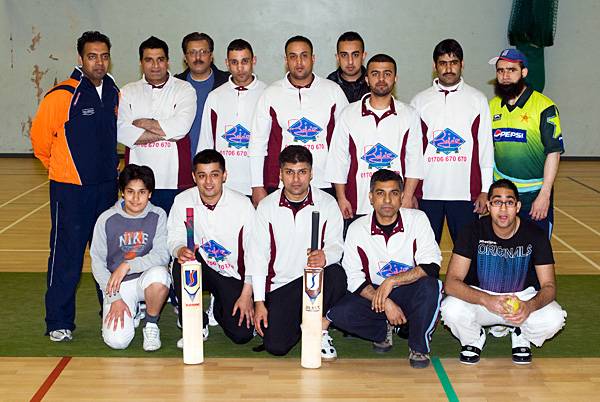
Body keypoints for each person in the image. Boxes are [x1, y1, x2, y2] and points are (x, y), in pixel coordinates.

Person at [30, 31, 120, 342]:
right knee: (66, 255)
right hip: (70, 191)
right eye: (93, 56)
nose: (99, 62)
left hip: (107, 189)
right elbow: (40, 144)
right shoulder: (60, 96)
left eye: (104, 56)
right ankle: (58, 321)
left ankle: (109, 314)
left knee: (107, 255)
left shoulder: (112, 91)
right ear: (80, 59)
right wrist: (62, 172)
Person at [441, 179, 566, 365]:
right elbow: (451, 283)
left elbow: (549, 286)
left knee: (555, 318)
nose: (503, 208)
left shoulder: (535, 235)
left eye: (509, 202)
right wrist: (486, 299)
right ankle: (474, 337)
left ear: (518, 207)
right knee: (450, 309)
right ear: (489, 206)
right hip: (482, 299)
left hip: (521, 300)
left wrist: (529, 306)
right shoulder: (472, 231)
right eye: (497, 202)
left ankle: (521, 333)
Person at [326, 169, 442, 369]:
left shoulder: (418, 219)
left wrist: (392, 281)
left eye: (394, 193)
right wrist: (386, 301)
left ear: (402, 197)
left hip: (408, 289)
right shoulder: (356, 228)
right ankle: (383, 328)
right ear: (370, 197)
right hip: (375, 295)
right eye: (380, 193)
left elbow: (432, 265)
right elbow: (353, 277)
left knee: (432, 286)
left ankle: (418, 346)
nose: (387, 200)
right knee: (338, 314)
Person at [248, 145, 347, 358]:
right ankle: (302, 322)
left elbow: (337, 248)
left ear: (311, 174)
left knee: (337, 275)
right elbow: (257, 257)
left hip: (314, 284)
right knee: (276, 347)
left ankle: (318, 327)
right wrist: (259, 302)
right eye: (290, 172)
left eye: (302, 172)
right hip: (280, 289)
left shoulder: (328, 203)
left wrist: (325, 256)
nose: (296, 179)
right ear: (280, 174)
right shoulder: (266, 207)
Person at [168, 149, 256, 347]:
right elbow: (174, 237)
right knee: (182, 264)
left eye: (214, 175)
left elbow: (255, 253)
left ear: (224, 175)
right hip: (200, 267)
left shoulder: (242, 204)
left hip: (231, 274)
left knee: (242, 335)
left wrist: (247, 294)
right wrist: (180, 249)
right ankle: (195, 322)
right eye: (202, 176)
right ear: (194, 177)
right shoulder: (183, 201)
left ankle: (219, 305)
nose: (208, 182)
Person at [248, 35, 349, 206]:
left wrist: (342, 191)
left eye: (304, 55)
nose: (299, 62)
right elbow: (257, 142)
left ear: (313, 58)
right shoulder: (271, 93)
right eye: (293, 56)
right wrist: (257, 185)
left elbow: (346, 142)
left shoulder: (333, 91)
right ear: (286, 60)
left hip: (325, 183)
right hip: (282, 185)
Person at [410, 39, 493, 244]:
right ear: (434, 66)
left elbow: (485, 148)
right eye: (443, 63)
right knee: (424, 252)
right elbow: (411, 152)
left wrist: (485, 190)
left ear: (462, 64)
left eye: (453, 62)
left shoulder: (478, 100)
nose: (448, 68)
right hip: (427, 194)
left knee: (466, 253)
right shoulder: (419, 102)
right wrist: (410, 192)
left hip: (465, 195)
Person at [326, 54, 423, 221]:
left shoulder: (409, 115)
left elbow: (414, 160)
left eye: (387, 73)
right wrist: (341, 198)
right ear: (366, 79)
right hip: (357, 204)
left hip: (396, 205)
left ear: (395, 78)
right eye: (375, 73)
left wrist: (406, 196)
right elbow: (338, 160)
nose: (381, 79)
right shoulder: (348, 114)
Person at [91, 164, 171, 351]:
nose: (136, 199)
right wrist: (115, 299)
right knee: (117, 342)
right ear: (122, 193)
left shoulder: (158, 215)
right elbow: (97, 262)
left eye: (142, 192)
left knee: (160, 275)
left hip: (146, 279)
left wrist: (127, 265)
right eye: (130, 192)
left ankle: (151, 324)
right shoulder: (106, 218)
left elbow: (161, 255)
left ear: (150, 193)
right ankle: (132, 310)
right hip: (117, 285)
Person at [488, 48, 564, 238]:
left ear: (524, 72)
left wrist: (544, 195)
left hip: (534, 196)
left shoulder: (545, 107)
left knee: (537, 255)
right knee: (504, 252)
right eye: (500, 70)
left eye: (511, 70)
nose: (505, 76)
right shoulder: (491, 106)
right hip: (502, 196)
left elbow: (553, 153)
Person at [117, 36, 197, 215]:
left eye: (160, 59)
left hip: (175, 180)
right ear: (141, 63)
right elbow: (121, 131)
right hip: (137, 184)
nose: (155, 66)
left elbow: (182, 127)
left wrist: (141, 124)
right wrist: (168, 131)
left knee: (176, 235)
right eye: (149, 60)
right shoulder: (126, 92)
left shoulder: (185, 89)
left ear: (168, 62)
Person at [198, 39, 267, 196]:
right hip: (223, 186)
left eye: (245, 61)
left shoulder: (267, 93)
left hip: (256, 185)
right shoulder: (215, 96)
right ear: (227, 63)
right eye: (234, 62)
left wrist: (261, 184)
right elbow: (206, 142)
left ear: (254, 61)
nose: (240, 68)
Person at [175, 32, 229, 159]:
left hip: (219, 160)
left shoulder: (227, 83)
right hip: (181, 159)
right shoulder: (174, 85)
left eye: (203, 52)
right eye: (192, 52)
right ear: (185, 58)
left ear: (211, 56)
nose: (198, 57)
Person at [326, 31, 369, 103]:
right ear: (337, 58)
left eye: (355, 55)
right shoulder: (328, 85)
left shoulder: (374, 83)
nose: (350, 61)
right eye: (344, 55)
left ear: (363, 56)